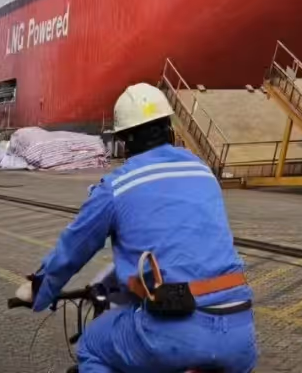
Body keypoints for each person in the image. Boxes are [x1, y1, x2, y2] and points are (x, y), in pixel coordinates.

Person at [18, 84, 258, 373]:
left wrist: (40, 289)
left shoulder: (116, 187)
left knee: (92, 345)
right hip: (239, 336)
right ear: (169, 129)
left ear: (124, 141)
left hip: (172, 336)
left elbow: (73, 249)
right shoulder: (202, 170)